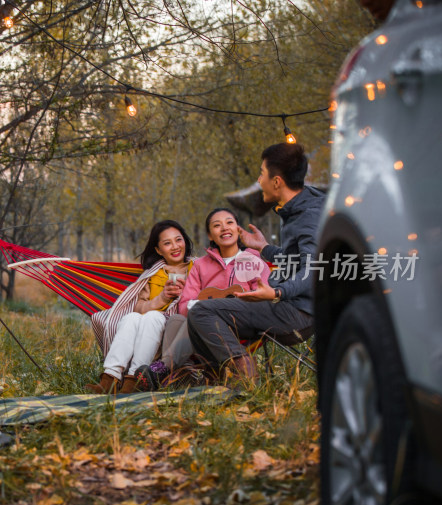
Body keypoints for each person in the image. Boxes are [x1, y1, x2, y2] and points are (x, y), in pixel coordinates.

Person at [187, 143, 325, 384]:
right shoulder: (301, 207)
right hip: (296, 305)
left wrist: (277, 291)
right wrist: (263, 248)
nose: (259, 180)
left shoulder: (307, 216)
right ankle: (217, 378)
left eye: (262, 173)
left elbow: (313, 269)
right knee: (201, 314)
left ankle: (245, 376)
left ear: (277, 181)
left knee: (201, 311)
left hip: (299, 313)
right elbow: (298, 261)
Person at [143, 208, 272, 388]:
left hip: (242, 324)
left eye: (229, 223)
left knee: (197, 317)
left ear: (238, 229)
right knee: (176, 319)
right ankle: (179, 374)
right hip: (203, 326)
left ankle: (163, 370)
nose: (224, 228)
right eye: (217, 226)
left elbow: (263, 296)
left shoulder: (254, 260)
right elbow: (185, 303)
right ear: (210, 235)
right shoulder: (201, 265)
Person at [87, 220, 193, 394]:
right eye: (167, 243)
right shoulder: (153, 273)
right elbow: (138, 307)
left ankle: (136, 379)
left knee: (153, 317)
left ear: (185, 241)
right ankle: (110, 377)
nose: (175, 246)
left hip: (173, 335)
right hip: (145, 334)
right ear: (158, 250)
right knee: (131, 317)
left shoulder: (197, 267)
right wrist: (163, 297)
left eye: (178, 240)